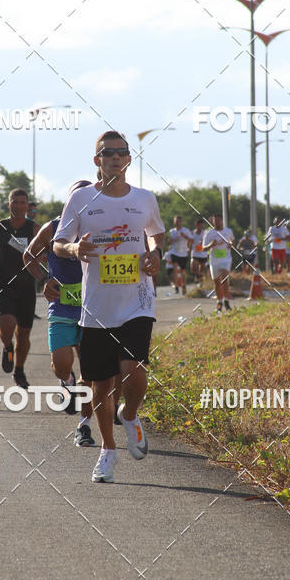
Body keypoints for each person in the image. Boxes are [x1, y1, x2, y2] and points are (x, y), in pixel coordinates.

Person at [53, 131, 165, 484]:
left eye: (122, 153)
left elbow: (155, 233)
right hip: (96, 306)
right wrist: (73, 250)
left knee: (134, 371)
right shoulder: (81, 200)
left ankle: (129, 415)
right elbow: (59, 243)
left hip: (137, 301)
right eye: (108, 153)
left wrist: (155, 253)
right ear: (96, 160)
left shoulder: (145, 199)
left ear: (129, 159)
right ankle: (108, 451)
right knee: (99, 386)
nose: (116, 158)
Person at [23, 180, 96, 446]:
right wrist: (45, 279)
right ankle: (67, 380)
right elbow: (29, 256)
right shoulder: (52, 228)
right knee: (61, 364)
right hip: (62, 306)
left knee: (91, 372)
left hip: (95, 310)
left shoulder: (101, 226)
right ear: (69, 202)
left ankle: (84, 426)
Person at [0, 188, 40, 389]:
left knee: (23, 334)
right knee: (7, 324)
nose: (18, 206)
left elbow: (46, 251)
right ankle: (7, 347)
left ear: (27, 205)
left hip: (26, 288)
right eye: (15, 202)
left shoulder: (34, 229)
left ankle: (19, 370)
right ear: (8, 204)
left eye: (23, 202)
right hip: (5, 285)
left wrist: (41, 268)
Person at [202, 213, 234, 312]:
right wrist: (211, 244)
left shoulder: (228, 231)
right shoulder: (209, 233)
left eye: (219, 220)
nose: (217, 222)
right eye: (215, 221)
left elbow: (232, 241)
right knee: (217, 283)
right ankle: (219, 301)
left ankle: (226, 301)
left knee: (224, 279)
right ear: (212, 221)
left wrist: (230, 244)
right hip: (214, 260)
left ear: (222, 221)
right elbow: (203, 248)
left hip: (226, 259)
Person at [168, 216, 193, 295]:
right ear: (174, 222)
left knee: (183, 271)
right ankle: (176, 286)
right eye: (176, 221)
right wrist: (172, 240)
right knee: (175, 268)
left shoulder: (186, 230)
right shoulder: (172, 231)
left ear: (181, 222)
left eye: (179, 221)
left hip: (183, 253)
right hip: (174, 252)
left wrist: (184, 236)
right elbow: (170, 241)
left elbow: (192, 240)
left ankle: (183, 285)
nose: (177, 223)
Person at [190, 219, 209, 284]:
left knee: (202, 271)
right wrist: (187, 247)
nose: (200, 227)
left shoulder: (205, 233)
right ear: (196, 225)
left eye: (201, 225)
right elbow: (189, 241)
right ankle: (197, 277)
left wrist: (203, 242)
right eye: (199, 225)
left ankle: (200, 283)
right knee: (193, 268)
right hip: (195, 253)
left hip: (203, 254)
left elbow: (208, 241)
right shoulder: (192, 233)